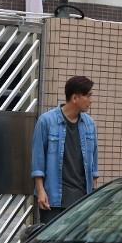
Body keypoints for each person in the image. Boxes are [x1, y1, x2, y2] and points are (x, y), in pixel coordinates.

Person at [31, 76, 99, 223]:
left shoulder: (90, 124)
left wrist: (92, 194)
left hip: (82, 200)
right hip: (53, 199)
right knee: (51, 238)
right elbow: (38, 160)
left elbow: (94, 164)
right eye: (88, 96)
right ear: (75, 98)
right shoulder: (46, 121)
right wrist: (40, 191)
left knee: (79, 238)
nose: (91, 100)